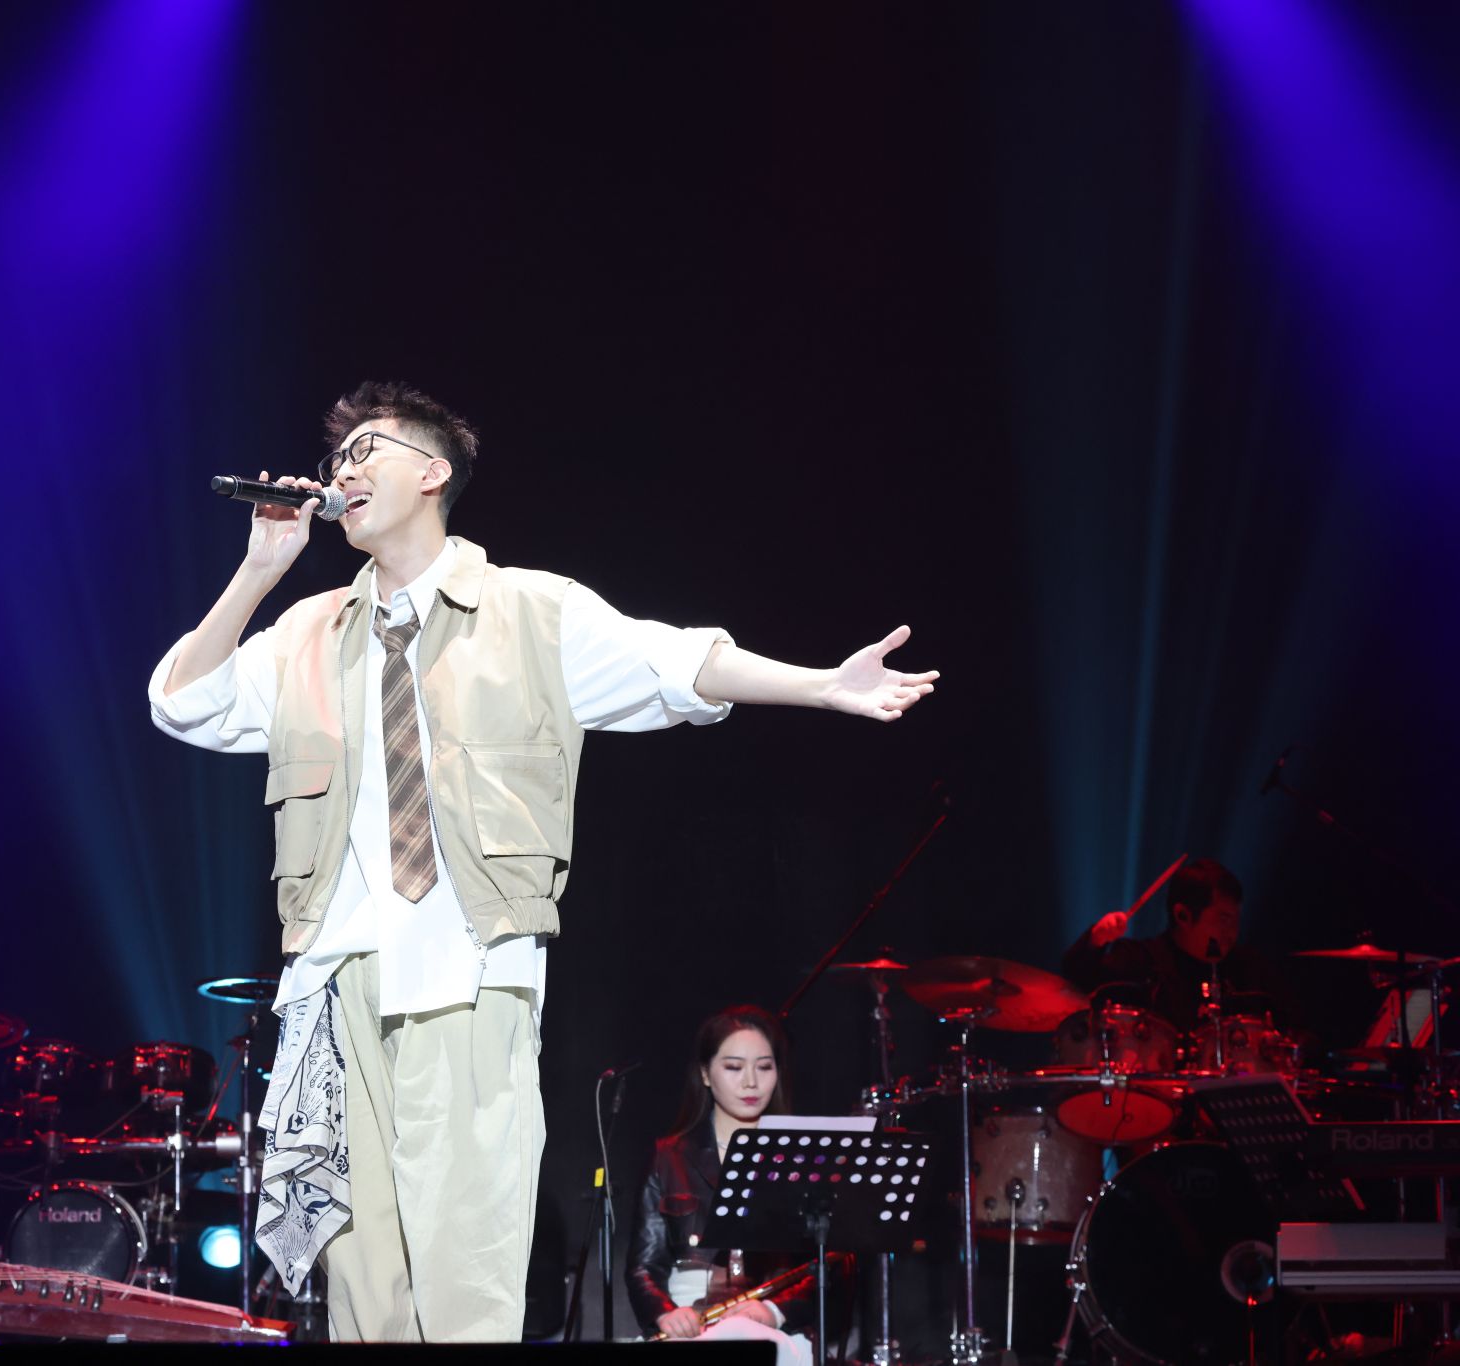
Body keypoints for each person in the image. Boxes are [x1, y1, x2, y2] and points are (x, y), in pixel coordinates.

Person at [147, 381, 938, 1341]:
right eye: (336, 459)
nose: (341, 472)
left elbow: (680, 662)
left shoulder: (530, 610)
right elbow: (180, 704)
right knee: (361, 1278)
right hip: (335, 977)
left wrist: (822, 685)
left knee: (465, 1262)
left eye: (365, 451)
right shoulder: (309, 631)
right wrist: (259, 570)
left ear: (432, 472)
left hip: (470, 969)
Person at [627, 1005, 817, 1361]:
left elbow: (830, 1263)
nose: (751, 1082)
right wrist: (665, 1313)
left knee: (748, 1339)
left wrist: (774, 1311)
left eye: (764, 1067)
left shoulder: (800, 1154)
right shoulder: (670, 1156)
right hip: (688, 1318)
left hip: (768, 1321)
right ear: (705, 1074)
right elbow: (644, 1265)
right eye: (733, 1067)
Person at [1060, 858, 1295, 1033]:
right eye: (1223, 919)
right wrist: (1096, 939)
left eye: (1236, 919)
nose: (1232, 931)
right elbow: (1076, 980)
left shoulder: (1250, 968)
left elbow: (1294, 1024)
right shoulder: (1143, 960)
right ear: (1183, 915)